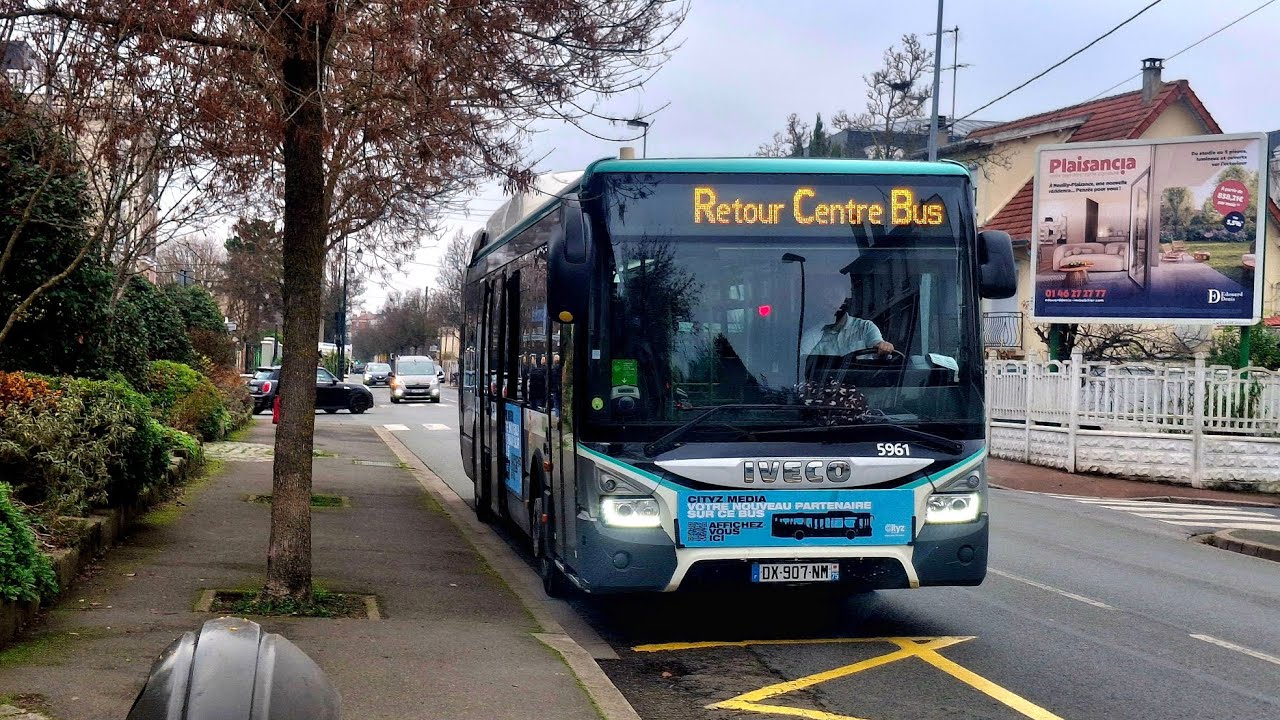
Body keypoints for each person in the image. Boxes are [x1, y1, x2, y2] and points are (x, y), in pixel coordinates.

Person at [800, 290, 894, 358]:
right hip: (823, 385)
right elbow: (802, 365)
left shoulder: (866, 327)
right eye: (826, 299)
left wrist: (884, 347)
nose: (831, 302)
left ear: (847, 299)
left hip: (864, 385)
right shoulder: (811, 336)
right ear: (821, 303)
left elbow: (878, 345)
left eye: (835, 297)